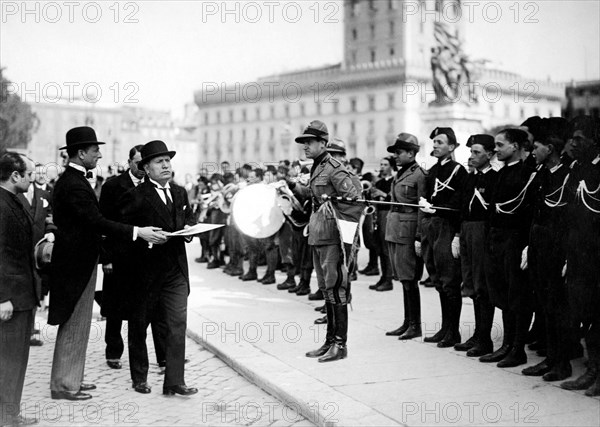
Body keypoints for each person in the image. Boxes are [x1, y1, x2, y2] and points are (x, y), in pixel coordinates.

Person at [48, 127, 166, 401]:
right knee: (74, 322)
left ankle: (71, 377)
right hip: (75, 263)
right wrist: (137, 232)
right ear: (81, 153)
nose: (99, 155)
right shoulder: (73, 184)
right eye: (95, 151)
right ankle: (65, 385)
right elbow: (97, 222)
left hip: (80, 261)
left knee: (79, 322)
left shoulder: (74, 180)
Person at [120, 140, 198, 396]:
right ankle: (139, 377)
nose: (165, 165)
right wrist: (142, 236)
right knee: (139, 325)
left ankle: (175, 380)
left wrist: (189, 231)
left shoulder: (179, 192)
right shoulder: (134, 196)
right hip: (145, 271)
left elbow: (189, 220)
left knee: (177, 324)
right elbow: (121, 233)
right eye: (159, 161)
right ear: (146, 168)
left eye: (167, 160)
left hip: (175, 270)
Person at [289, 120, 360, 362]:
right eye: (304, 143)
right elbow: (314, 196)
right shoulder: (317, 167)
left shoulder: (335, 168)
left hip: (333, 236)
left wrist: (344, 237)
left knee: (336, 286)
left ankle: (340, 344)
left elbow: (355, 200)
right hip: (319, 235)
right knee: (326, 288)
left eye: (309, 142)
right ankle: (329, 340)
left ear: (323, 143)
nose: (305, 147)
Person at [98, 145, 167, 371]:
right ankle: (114, 352)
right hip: (119, 256)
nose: (140, 168)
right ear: (129, 162)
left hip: (147, 258)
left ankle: (162, 356)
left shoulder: (153, 187)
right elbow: (104, 224)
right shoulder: (112, 186)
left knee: (153, 308)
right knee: (115, 306)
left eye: (143, 163)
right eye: (137, 163)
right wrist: (106, 258)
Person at [481, 128, 536, 368]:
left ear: (515, 146)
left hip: (515, 239)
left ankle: (517, 348)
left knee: (517, 295)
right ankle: (506, 345)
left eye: (500, 145)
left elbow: (526, 212)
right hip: (498, 238)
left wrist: (526, 245)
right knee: (502, 293)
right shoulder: (501, 173)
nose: (496, 149)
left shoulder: (526, 174)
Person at [560, 116, 600, 395]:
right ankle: (593, 370)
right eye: (573, 139)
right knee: (585, 313)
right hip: (578, 254)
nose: (573, 144)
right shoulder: (578, 170)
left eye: (579, 139)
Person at [0, 153, 39, 427]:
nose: (32, 179)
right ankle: (7, 417)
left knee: (16, 359)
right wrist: (2, 298)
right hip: (10, 299)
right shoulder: (2, 205)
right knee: (9, 360)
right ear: (15, 176)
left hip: (21, 295)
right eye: (29, 175)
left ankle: (9, 413)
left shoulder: (13, 201)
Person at [419, 127, 467, 348]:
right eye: (434, 142)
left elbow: (460, 205)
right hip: (433, 227)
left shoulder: (458, 171)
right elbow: (427, 198)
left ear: (452, 146)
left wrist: (457, 235)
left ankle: (453, 331)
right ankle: (445, 327)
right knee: (438, 279)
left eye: (440, 142)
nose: (435, 145)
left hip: (447, 227)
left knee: (449, 281)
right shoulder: (432, 171)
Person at [454, 134, 497, 357]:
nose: (471, 156)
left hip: (482, 231)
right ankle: (478, 335)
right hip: (467, 230)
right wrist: (458, 234)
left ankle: (485, 338)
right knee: (470, 283)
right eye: (470, 152)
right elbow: (463, 206)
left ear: (490, 155)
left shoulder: (493, 179)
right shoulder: (470, 178)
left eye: (477, 152)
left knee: (482, 286)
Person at [384, 134, 426, 340]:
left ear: (411, 153)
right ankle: (407, 322)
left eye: (399, 152)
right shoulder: (400, 173)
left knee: (410, 279)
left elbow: (422, 208)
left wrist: (419, 236)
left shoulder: (419, 175)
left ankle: (415, 325)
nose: (396, 156)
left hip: (408, 232)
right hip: (396, 230)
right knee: (403, 279)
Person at [17, 161, 55, 346]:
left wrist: (50, 231)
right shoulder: (13, 194)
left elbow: (49, 217)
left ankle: (29, 330)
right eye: (31, 172)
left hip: (37, 251)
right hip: (17, 251)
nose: (33, 176)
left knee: (35, 289)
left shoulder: (44, 195)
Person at [368, 156, 396, 292]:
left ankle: (388, 279)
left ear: (391, 166)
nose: (382, 167)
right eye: (381, 164)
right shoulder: (378, 182)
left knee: (386, 250)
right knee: (378, 247)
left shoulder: (394, 181)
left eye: (385, 164)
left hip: (388, 215)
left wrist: (382, 194)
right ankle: (383, 277)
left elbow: (394, 199)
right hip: (378, 214)